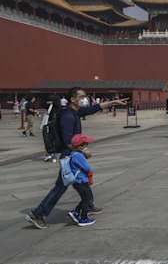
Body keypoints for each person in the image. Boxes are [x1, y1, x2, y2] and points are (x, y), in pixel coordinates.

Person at [26, 87, 127, 229]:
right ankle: (37, 214)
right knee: (61, 188)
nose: (85, 99)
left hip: (73, 154)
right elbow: (68, 141)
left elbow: (93, 108)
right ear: (73, 99)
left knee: (82, 182)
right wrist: (83, 153)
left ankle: (88, 205)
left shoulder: (75, 112)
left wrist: (113, 102)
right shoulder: (68, 116)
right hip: (69, 155)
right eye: (82, 96)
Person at [66, 134, 96, 227]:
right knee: (86, 199)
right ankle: (83, 218)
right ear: (81, 145)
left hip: (78, 181)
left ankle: (76, 212)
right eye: (86, 144)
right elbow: (87, 168)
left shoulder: (73, 153)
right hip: (81, 181)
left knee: (85, 198)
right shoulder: (78, 155)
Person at [41, 95, 62, 162]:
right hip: (50, 124)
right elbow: (42, 103)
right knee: (49, 139)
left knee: (54, 139)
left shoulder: (57, 107)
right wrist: (49, 103)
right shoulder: (50, 106)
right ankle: (50, 154)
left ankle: (53, 154)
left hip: (54, 124)